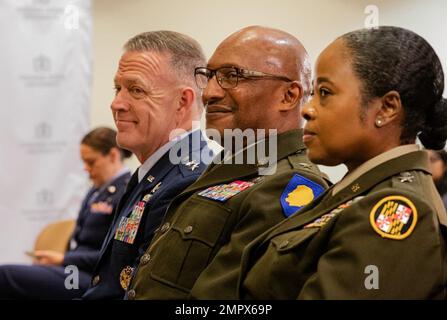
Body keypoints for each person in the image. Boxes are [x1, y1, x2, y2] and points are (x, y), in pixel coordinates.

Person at [239, 26, 447, 299]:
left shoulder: (395, 209)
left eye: (324, 93)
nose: (307, 108)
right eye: (313, 92)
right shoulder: (362, 190)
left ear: (386, 108)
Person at [126, 26, 330, 300]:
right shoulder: (228, 168)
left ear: (288, 96)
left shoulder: (289, 185)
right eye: (208, 76)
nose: (209, 92)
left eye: (231, 76)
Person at [81, 31, 213, 300]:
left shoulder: (187, 181)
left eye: (136, 90)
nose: (116, 103)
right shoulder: (157, 170)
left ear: (183, 101)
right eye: (118, 88)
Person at [0, 127, 132, 299]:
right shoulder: (96, 191)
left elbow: (115, 255)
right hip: (75, 269)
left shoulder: (126, 194)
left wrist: (63, 259)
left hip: (94, 278)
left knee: (5, 276)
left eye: (91, 162)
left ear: (113, 156)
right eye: (83, 162)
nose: (85, 168)